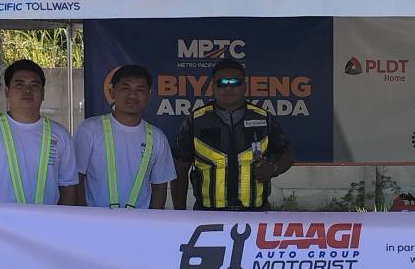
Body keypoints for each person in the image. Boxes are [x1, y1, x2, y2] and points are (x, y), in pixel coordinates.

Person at [171, 58, 294, 210]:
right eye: (222, 83)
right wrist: (180, 214)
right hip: (207, 214)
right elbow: (179, 168)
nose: (229, 88)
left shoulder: (263, 118)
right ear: (212, 87)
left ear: (245, 87)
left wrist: (273, 168)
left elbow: (288, 153)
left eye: (235, 82)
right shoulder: (196, 120)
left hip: (256, 213)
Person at [0, 59, 78, 205]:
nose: (27, 90)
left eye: (34, 85)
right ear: (7, 92)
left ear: (43, 93)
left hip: (45, 220)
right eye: (19, 84)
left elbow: (68, 187)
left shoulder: (60, 135)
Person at [74, 64, 176, 209]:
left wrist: (152, 220)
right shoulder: (89, 129)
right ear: (112, 92)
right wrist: (83, 217)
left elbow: (160, 187)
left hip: (139, 221)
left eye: (140, 90)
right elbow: (76, 179)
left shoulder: (158, 137)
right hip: (95, 220)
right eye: (125, 88)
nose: (132, 95)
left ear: (148, 96)